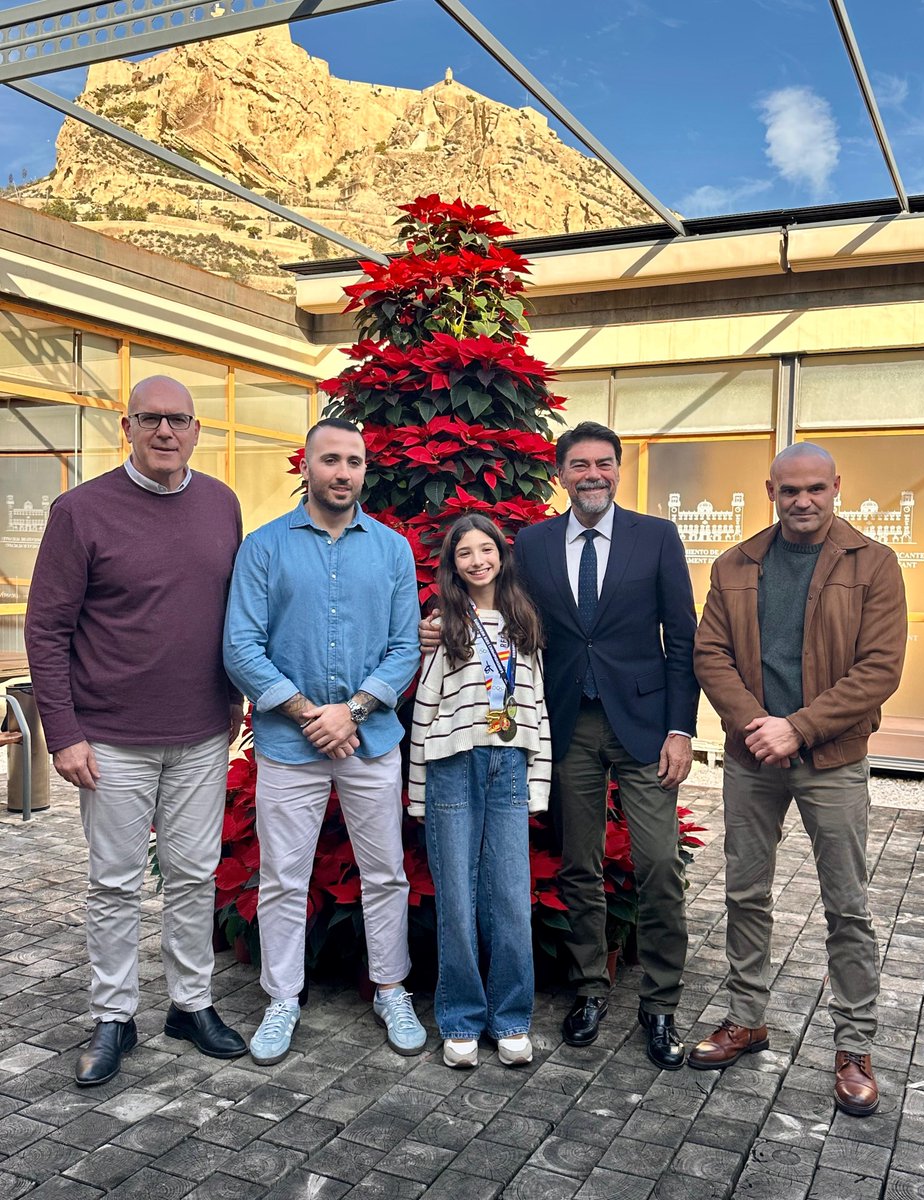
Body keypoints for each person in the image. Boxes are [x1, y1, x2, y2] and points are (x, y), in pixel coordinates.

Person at [421, 421, 699, 1068]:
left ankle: (660, 1004)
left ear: (619, 469)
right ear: (561, 474)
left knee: (659, 863)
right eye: (579, 464)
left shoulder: (655, 537)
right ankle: (589, 988)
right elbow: (493, 598)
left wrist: (682, 729)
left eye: (604, 462)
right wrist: (437, 625)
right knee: (580, 865)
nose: (593, 473)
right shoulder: (535, 544)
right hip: (566, 723)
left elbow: (681, 640)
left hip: (645, 728)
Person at [25, 375, 247, 1087]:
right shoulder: (79, 511)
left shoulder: (221, 504)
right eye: (150, 419)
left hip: (202, 733)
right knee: (114, 883)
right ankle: (114, 1015)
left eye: (178, 420)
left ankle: (190, 1004)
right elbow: (47, 628)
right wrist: (62, 731)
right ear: (127, 427)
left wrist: (237, 707)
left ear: (195, 430)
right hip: (111, 738)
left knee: (192, 876)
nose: (164, 432)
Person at [691, 442, 907, 1117]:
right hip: (753, 756)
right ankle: (747, 1017)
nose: (803, 501)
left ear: (837, 487)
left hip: (833, 758)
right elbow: (711, 653)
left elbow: (879, 668)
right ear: (770, 491)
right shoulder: (735, 565)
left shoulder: (873, 563)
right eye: (790, 491)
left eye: (815, 488)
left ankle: (854, 1047)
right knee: (745, 892)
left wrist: (798, 727)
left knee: (847, 905)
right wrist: (758, 723)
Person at [223, 416, 423, 1065]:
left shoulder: (391, 550)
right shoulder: (264, 547)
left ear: (365, 470)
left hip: (371, 743)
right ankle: (283, 998)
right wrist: (314, 713)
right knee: (283, 878)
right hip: (290, 745)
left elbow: (403, 649)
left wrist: (355, 711)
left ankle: (390, 986)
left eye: (354, 461)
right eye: (330, 460)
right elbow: (240, 647)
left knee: (385, 873)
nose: (342, 472)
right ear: (305, 466)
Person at [408, 515, 551, 1070]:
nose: (476, 560)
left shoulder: (523, 622)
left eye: (485, 549)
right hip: (452, 766)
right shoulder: (445, 624)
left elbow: (537, 708)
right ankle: (461, 1019)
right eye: (464, 553)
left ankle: (512, 1018)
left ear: (501, 556)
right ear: (453, 564)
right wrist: (418, 791)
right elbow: (424, 709)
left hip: (510, 764)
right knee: (457, 899)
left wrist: (537, 784)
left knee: (512, 898)